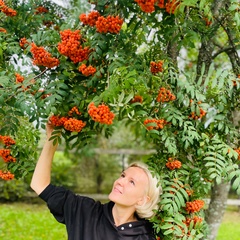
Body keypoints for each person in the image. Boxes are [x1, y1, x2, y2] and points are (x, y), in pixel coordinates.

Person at [30, 120, 162, 240]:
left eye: (131, 182)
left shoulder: (145, 236)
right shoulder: (84, 211)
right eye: (123, 176)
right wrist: (51, 138)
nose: (120, 182)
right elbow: (39, 185)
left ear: (142, 200)